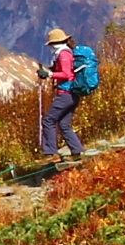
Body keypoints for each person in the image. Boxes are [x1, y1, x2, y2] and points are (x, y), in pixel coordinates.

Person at [38, 27, 91, 160]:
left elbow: (67, 74)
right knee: (63, 124)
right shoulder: (67, 53)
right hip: (72, 94)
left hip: (66, 93)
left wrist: (49, 74)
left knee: (48, 120)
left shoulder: (64, 54)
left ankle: (51, 153)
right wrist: (51, 71)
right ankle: (77, 151)